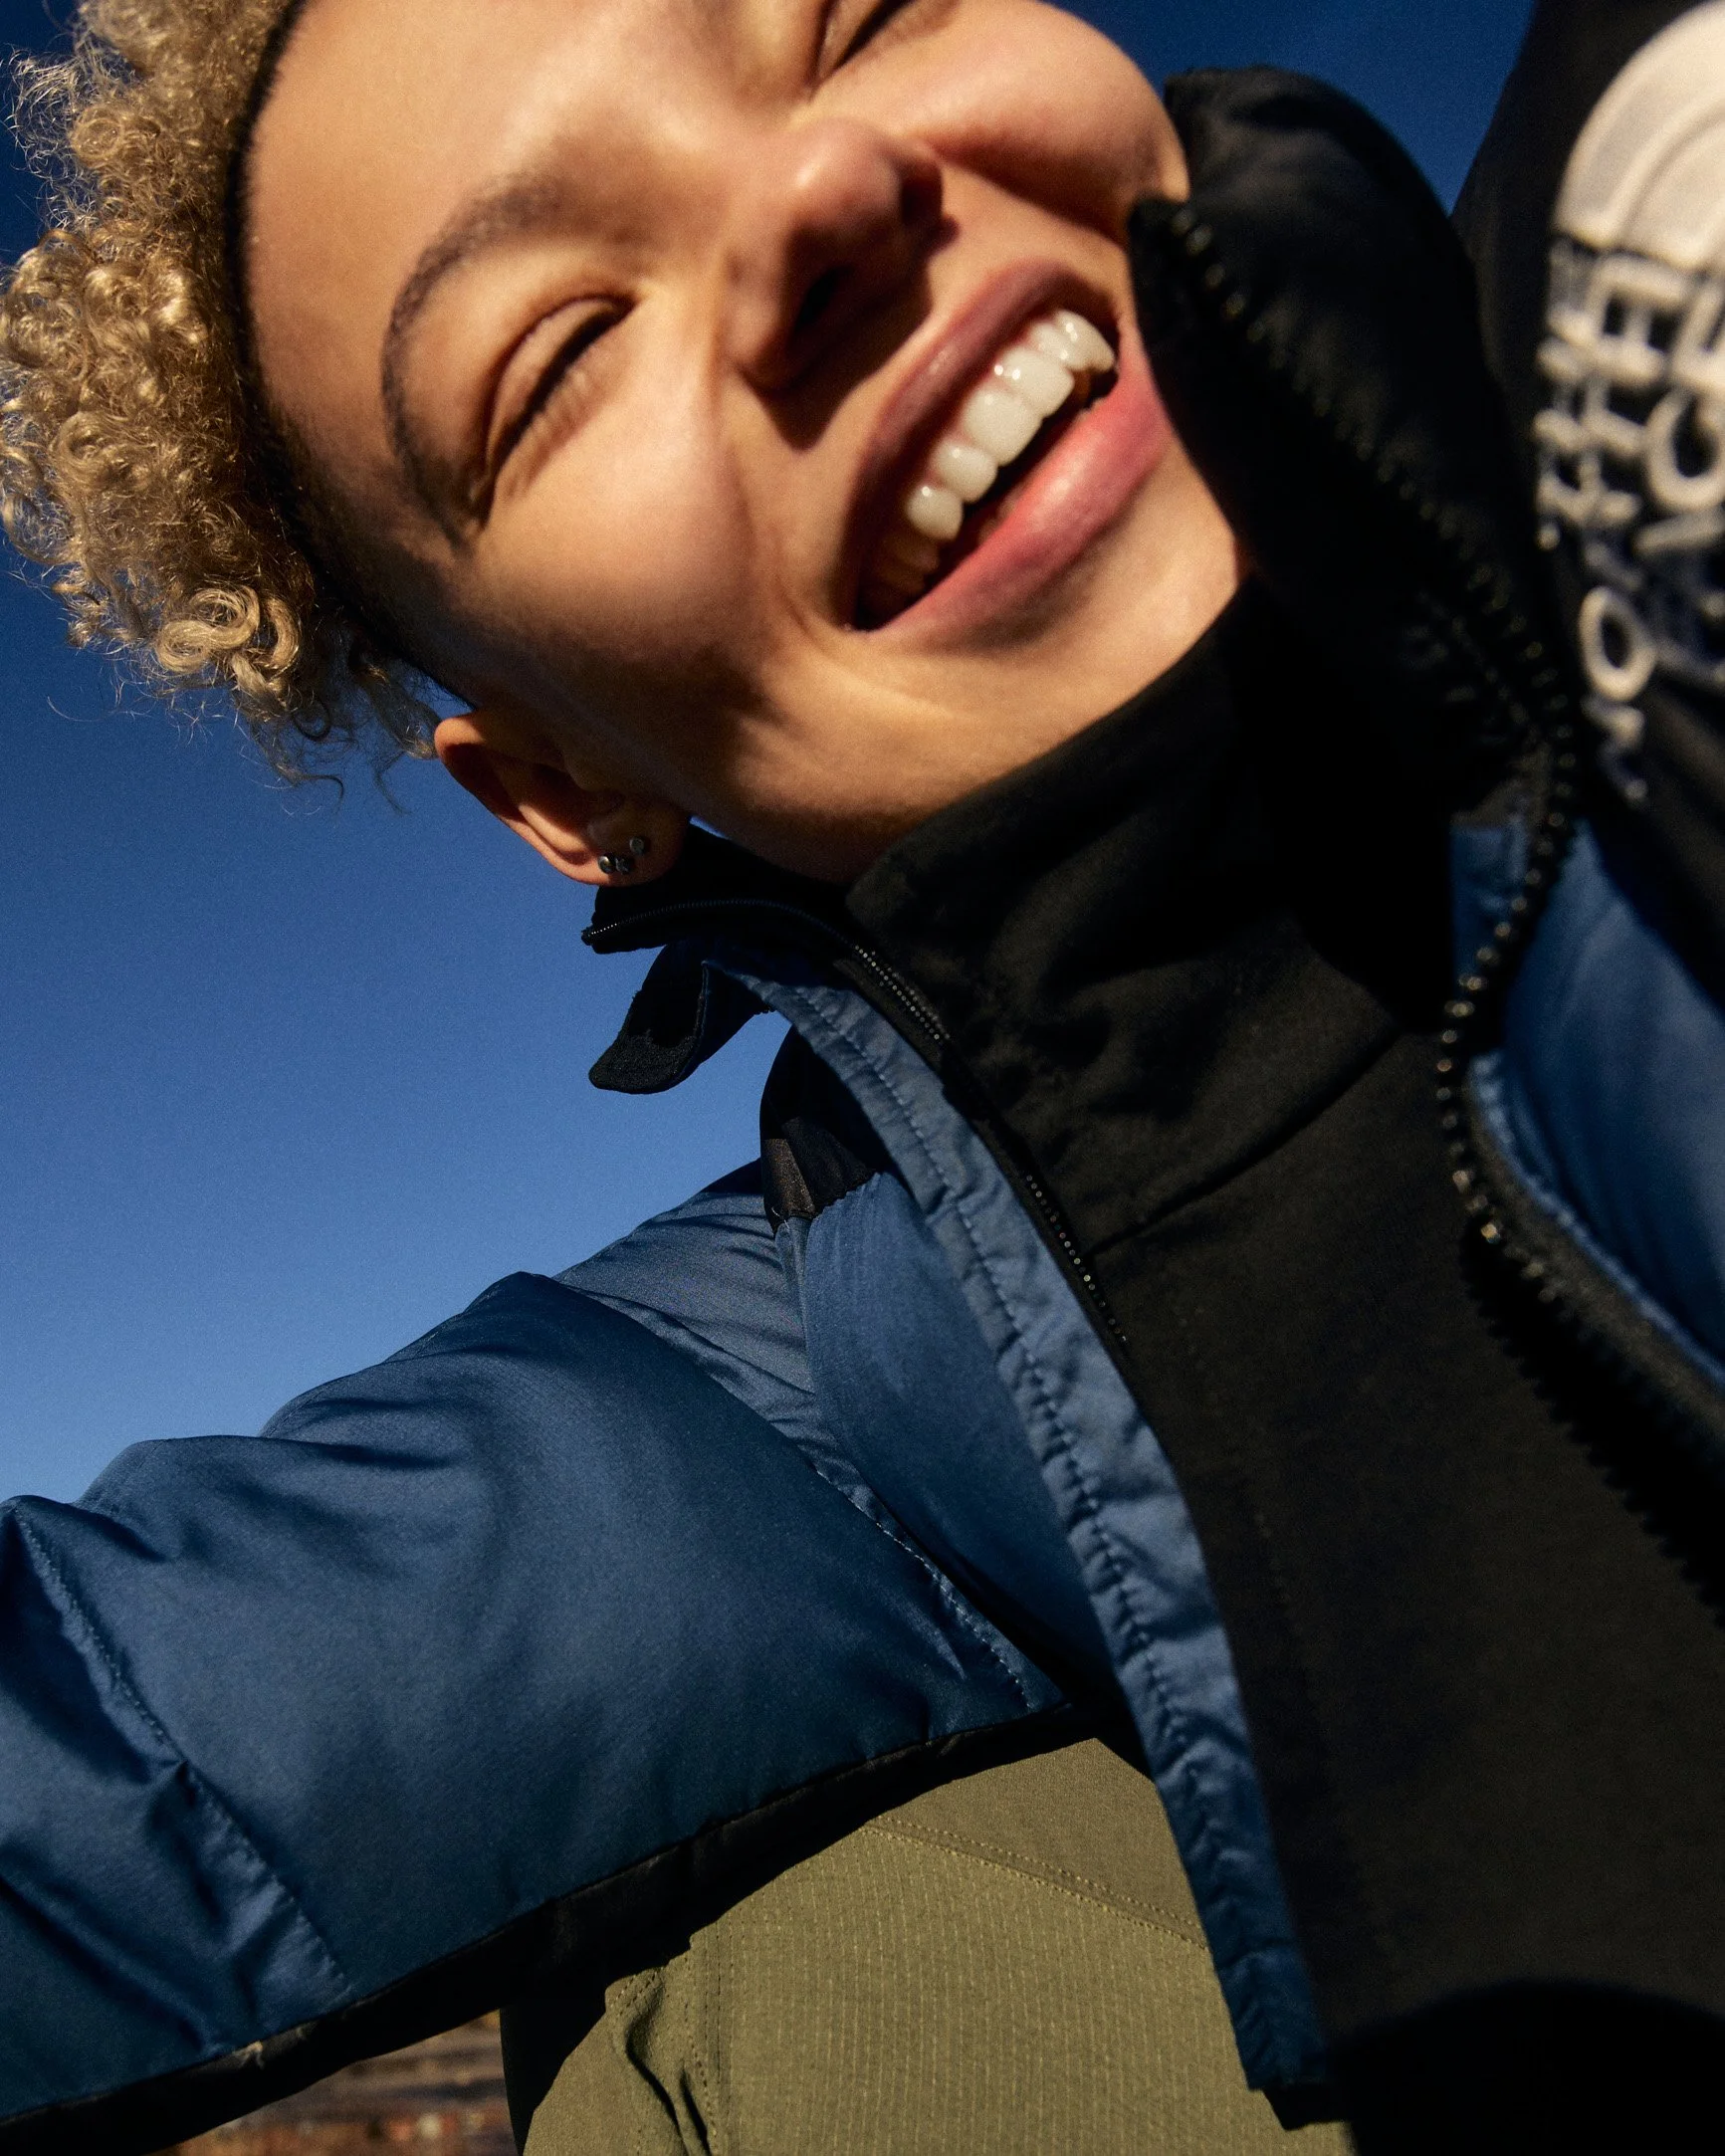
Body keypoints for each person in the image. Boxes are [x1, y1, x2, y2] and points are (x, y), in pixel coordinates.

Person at [4, 0, 1725, 2149]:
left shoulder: (1659, 236)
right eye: (556, 350)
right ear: (563, 787)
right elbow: (110, 1752)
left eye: (854, 23)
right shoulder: (854, 1324)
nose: (819, 195)